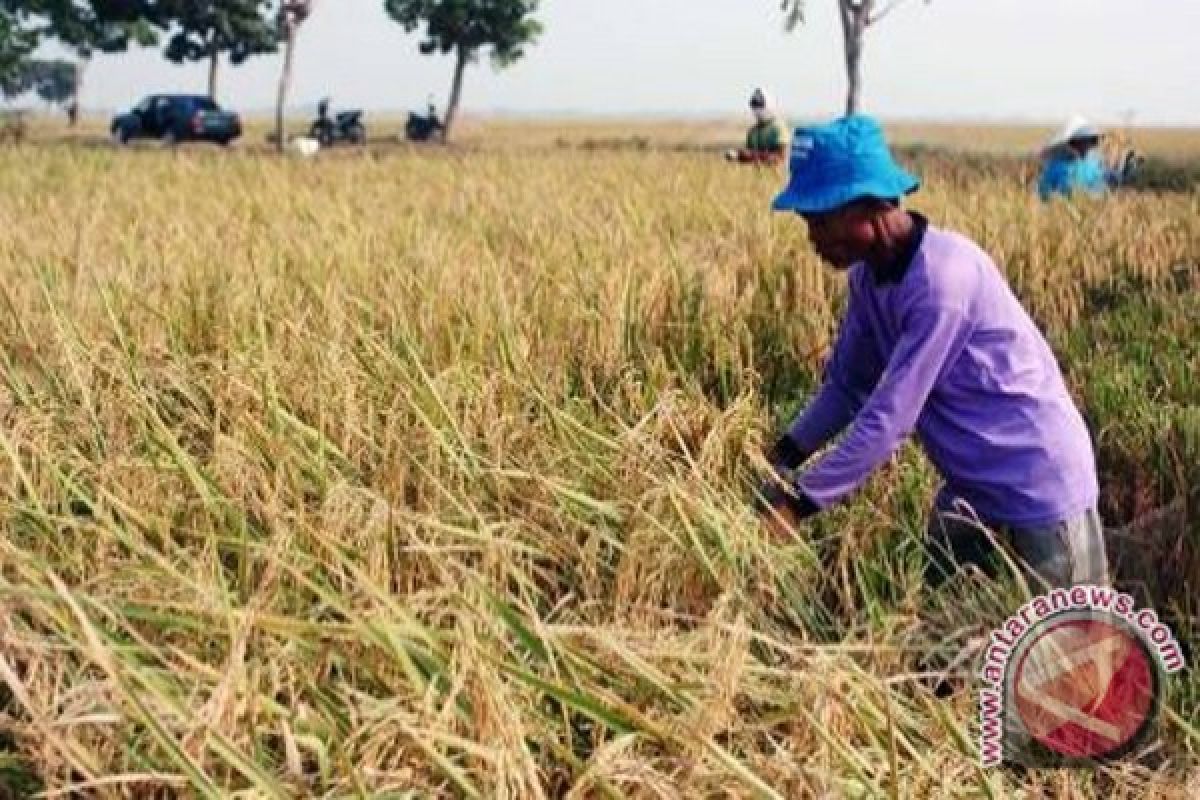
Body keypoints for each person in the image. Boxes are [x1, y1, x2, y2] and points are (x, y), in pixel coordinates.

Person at [758, 114, 1109, 594]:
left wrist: (800, 503)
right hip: (972, 483)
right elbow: (846, 388)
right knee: (946, 621)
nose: (813, 239)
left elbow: (890, 417)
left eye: (820, 221)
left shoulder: (942, 282)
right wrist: (781, 455)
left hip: (1036, 476)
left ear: (868, 206)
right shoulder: (869, 277)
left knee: (1067, 644)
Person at [1037, 115, 1140, 201]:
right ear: (1074, 142)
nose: (1089, 145)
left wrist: (1124, 172)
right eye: (1086, 141)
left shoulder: (1092, 162)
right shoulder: (1058, 166)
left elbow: (1105, 179)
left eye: (1092, 141)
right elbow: (1048, 192)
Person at [725, 88, 787, 165]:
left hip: (775, 174)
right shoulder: (753, 131)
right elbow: (748, 156)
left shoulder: (778, 128)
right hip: (758, 174)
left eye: (760, 105)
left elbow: (781, 158)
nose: (757, 110)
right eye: (754, 106)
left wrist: (751, 156)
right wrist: (737, 156)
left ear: (769, 105)